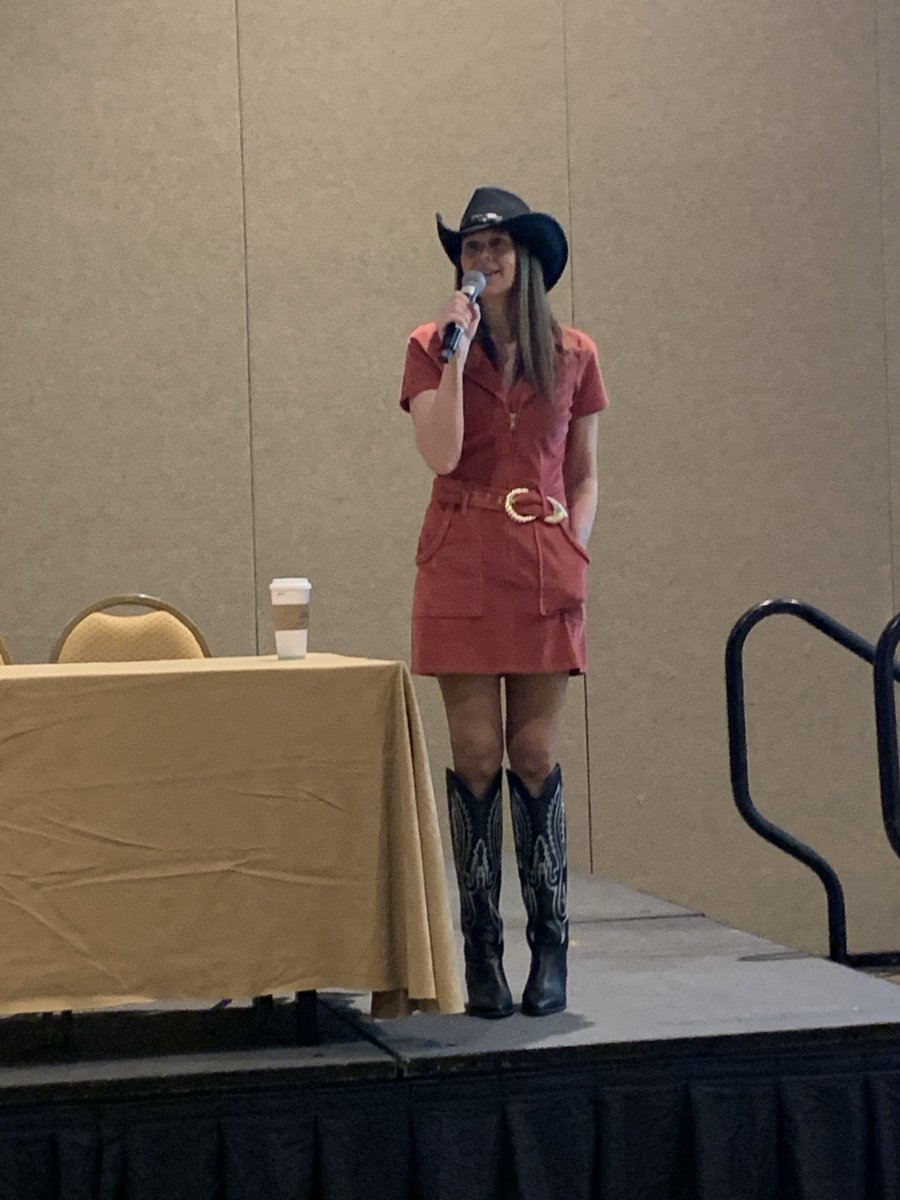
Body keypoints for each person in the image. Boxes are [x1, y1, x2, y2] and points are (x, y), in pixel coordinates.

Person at [399, 187, 609, 1018]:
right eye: (470, 249)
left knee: (534, 756)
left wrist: (576, 543)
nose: (482, 261)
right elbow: (441, 452)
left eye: (497, 247)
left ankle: (550, 947)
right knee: (477, 756)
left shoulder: (576, 353)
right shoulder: (428, 346)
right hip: (460, 557)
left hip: (543, 565)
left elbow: (586, 470)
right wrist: (455, 353)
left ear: (527, 260)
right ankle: (479, 948)